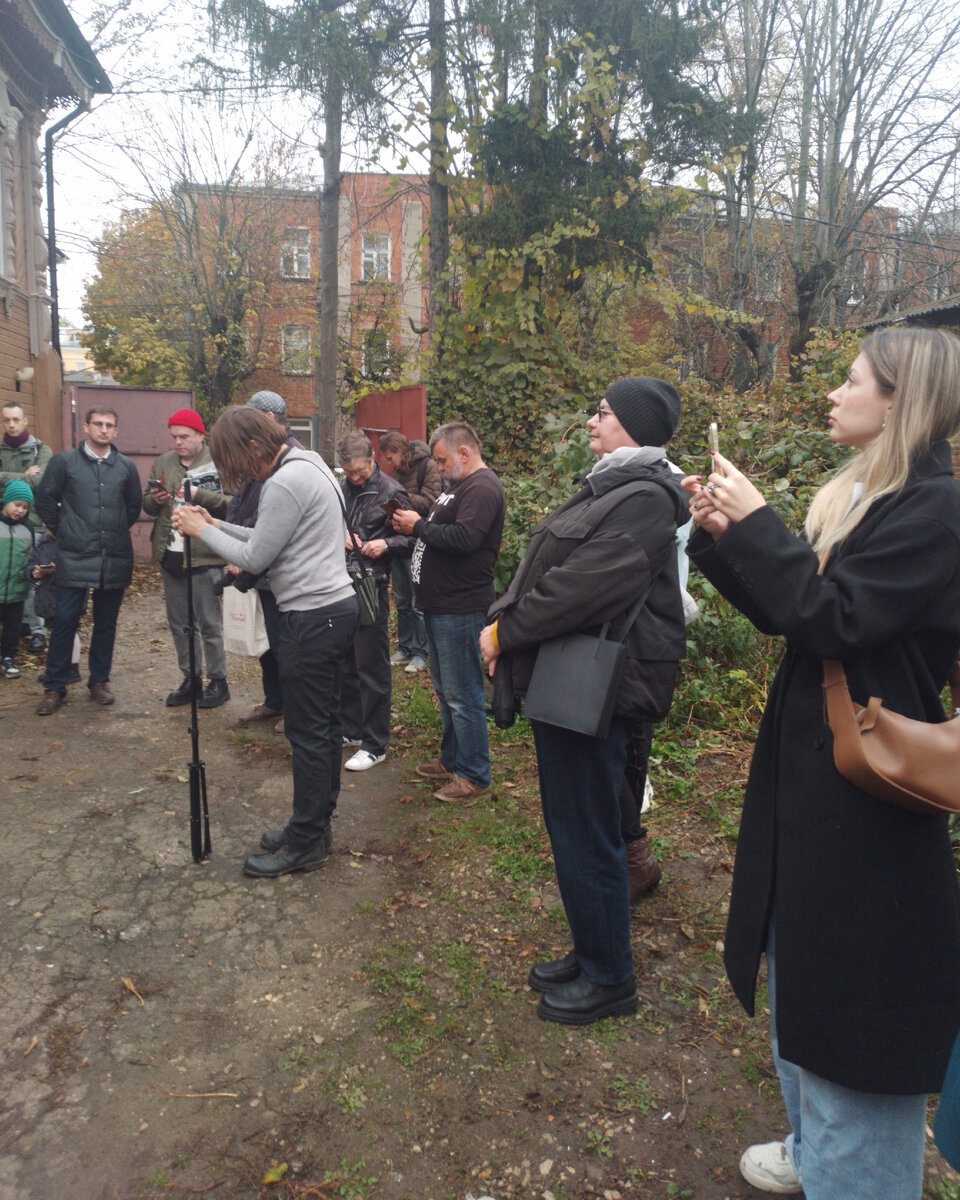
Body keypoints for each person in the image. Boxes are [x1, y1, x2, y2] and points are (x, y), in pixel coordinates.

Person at [682, 327, 960, 1200]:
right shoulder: (872, 498)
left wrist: (759, 519)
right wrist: (726, 534)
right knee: (804, 989)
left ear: (899, 401)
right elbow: (795, 612)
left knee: (857, 1023)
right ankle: (818, 1149)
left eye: (851, 382)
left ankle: (855, 1167)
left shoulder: (938, 512)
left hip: (871, 810)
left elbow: (830, 620)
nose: (834, 396)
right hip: (817, 798)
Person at [479, 377, 687, 1025]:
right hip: (573, 680)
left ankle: (610, 977)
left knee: (589, 831)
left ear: (633, 422)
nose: (593, 421)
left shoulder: (646, 498)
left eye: (603, 412)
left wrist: (503, 630)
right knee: (573, 828)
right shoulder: (611, 486)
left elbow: (584, 586)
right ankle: (592, 948)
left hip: (597, 688)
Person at [174, 406, 358, 879]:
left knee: (309, 734)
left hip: (311, 619)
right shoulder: (310, 462)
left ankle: (306, 842)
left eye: (243, 465)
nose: (246, 477)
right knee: (324, 726)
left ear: (256, 447)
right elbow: (265, 534)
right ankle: (313, 827)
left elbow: (255, 556)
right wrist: (213, 525)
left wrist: (202, 532)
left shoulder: (283, 482)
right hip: (334, 611)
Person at [391, 421, 505, 801]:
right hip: (440, 606)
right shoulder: (459, 488)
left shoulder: (483, 487)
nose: (438, 468)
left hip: (461, 607)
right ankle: (452, 757)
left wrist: (418, 526)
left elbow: (466, 539)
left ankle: (473, 773)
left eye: (441, 461)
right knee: (446, 689)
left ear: (463, 453)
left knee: (463, 693)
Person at [34, 407, 142, 715]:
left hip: (114, 555)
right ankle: (55, 687)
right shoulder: (64, 462)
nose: (104, 430)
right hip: (73, 555)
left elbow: (132, 506)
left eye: (110, 425)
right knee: (66, 620)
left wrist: (114, 530)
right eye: (98, 424)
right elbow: (45, 499)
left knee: (106, 622)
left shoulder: (125, 467)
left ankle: (99, 682)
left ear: (116, 431)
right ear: (86, 427)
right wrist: (64, 530)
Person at [143, 409, 231, 709]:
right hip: (172, 553)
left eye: (184, 437)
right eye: (174, 437)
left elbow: (233, 505)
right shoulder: (164, 462)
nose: (178, 442)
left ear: (199, 436)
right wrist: (154, 500)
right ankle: (190, 678)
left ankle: (218, 680)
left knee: (210, 622)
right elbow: (148, 504)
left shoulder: (220, 462)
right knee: (180, 622)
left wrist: (201, 496)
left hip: (206, 554)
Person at [336, 431, 414, 771]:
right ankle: (351, 729)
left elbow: (413, 538)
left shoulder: (392, 493)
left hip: (372, 584)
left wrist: (386, 546)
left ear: (373, 460)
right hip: (340, 582)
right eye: (348, 472)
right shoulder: (340, 489)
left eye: (359, 472)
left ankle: (374, 743)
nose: (354, 478)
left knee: (372, 664)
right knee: (346, 661)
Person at [229, 390, 303, 728]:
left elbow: (271, 518)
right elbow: (241, 501)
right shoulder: (260, 452)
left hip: (277, 569)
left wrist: (245, 550)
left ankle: (293, 708)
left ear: (269, 419)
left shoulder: (291, 460)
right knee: (267, 642)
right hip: (254, 563)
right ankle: (274, 700)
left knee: (285, 643)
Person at [379, 431, 442, 673]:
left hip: (419, 543)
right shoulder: (399, 471)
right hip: (398, 543)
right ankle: (404, 647)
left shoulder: (428, 466)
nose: (389, 462)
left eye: (390, 456)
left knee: (418, 603)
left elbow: (432, 502)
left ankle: (420, 652)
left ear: (400, 451)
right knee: (403, 601)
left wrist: (401, 498)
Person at [1, 400, 52, 652]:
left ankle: (37, 630)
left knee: (33, 578)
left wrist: (5, 481)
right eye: (6, 420)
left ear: (25, 421)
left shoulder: (41, 450)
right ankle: (16, 626)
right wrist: (24, 478)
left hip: (34, 524)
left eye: (15, 419)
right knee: (7, 575)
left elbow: (40, 481)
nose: (11, 424)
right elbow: (29, 481)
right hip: (3, 528)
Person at [0, 480, 35, 678]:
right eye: (17, 504)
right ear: (6, 501)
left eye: (25, 507)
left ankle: (8, 657)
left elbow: (30, 557)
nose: (20, 510)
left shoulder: (27, 529)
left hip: (16, 589)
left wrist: (32, 573)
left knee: (13, 628)